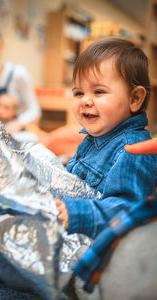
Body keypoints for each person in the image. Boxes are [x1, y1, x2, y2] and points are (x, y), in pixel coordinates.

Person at [56, 36, 157, 239]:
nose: (85, 100)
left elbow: (127, 209)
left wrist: (78, 214)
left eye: (99, 91)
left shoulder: (133, 149)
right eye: (78, 92)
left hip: (89, 246)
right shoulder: (98, 136)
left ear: (135, 98)